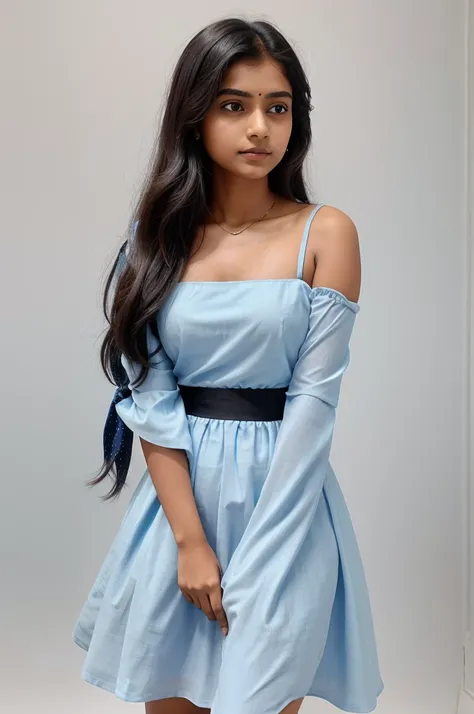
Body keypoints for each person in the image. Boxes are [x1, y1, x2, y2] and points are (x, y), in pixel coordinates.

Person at [72, 16, 384, 714]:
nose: (259, 128)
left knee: (261, 696)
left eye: (278, 108)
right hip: (180, 506)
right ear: (194, 114)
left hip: (288, 500)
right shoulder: (151, 246)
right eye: (234, 105)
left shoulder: (325, 232)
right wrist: (189, 542)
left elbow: (315, 403)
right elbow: (151, 400)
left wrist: (269, 556)